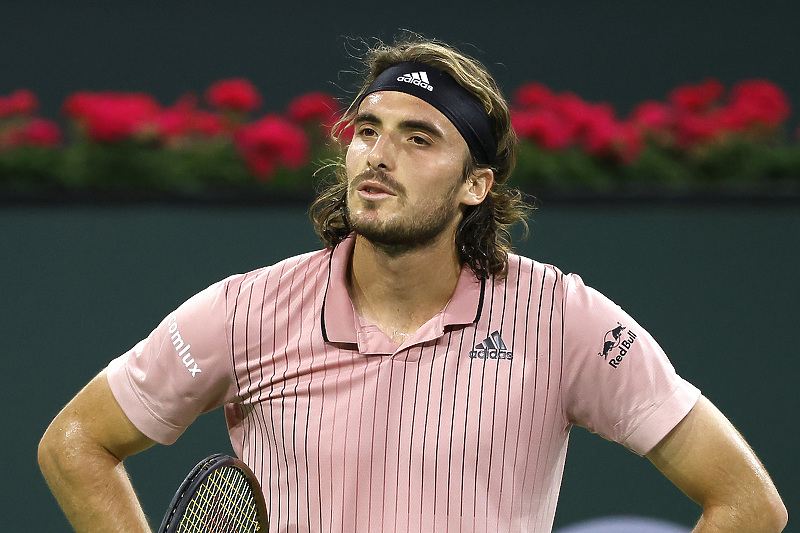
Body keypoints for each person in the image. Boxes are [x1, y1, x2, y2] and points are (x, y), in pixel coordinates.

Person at [38, 36, 787, 533]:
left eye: (418, 138)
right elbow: (76, 442)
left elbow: (749, 502)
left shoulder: (565, 318)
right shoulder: (244, 310)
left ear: (476, 185)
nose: (377, 154)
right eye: (368, 130)